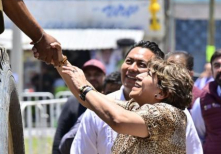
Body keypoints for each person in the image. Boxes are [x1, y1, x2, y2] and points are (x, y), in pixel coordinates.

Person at [69, 40, 203, 154]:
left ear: (161, 93)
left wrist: (85, 87)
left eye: (147, 72)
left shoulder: (168, 115)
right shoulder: (132, 106)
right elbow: (93, 102)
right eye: (129, 61)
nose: (136, 72)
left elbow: (117, 119)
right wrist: (61, 63)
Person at [53, 59, 107, 154]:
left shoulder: (108, 101)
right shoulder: (72, 102)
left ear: (104, 77)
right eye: (88, 75)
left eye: (97, 74)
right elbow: (60, 135)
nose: (92, 78)